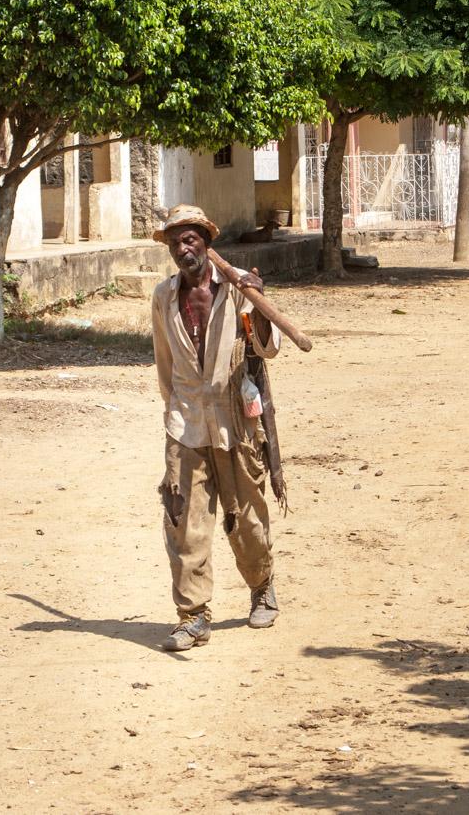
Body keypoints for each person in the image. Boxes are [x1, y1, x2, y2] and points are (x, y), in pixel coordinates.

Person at [151, 203, 281, 652]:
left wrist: (260, 305)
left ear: (207, 242)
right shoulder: (164, 297)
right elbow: (164, 365)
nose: (183, 249)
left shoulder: (240, 287)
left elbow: (269, 348)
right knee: (184, 520)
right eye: (175, 243)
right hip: (185, 422)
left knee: (245, 516)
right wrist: (175, 413)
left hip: (235, 421)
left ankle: (262, 586)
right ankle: (193, 615)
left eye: (190, 240)